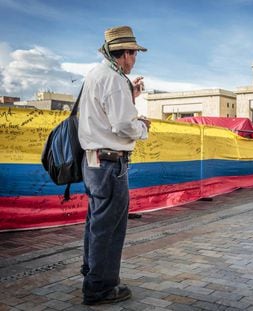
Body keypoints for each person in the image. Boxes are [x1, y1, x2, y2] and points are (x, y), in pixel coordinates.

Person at [78, 26, 150, 305]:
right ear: (127, 54)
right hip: (110, 162)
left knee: (97, 223)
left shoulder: (96, 75)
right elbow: (122, 124)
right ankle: (100, 287)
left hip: (93, 161)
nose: (135, 60)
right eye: (134, 54)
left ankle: (92, 273)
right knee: (110, 227)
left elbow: (104, 115)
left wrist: (129, 94)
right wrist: (142, 127)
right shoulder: (115, 79)